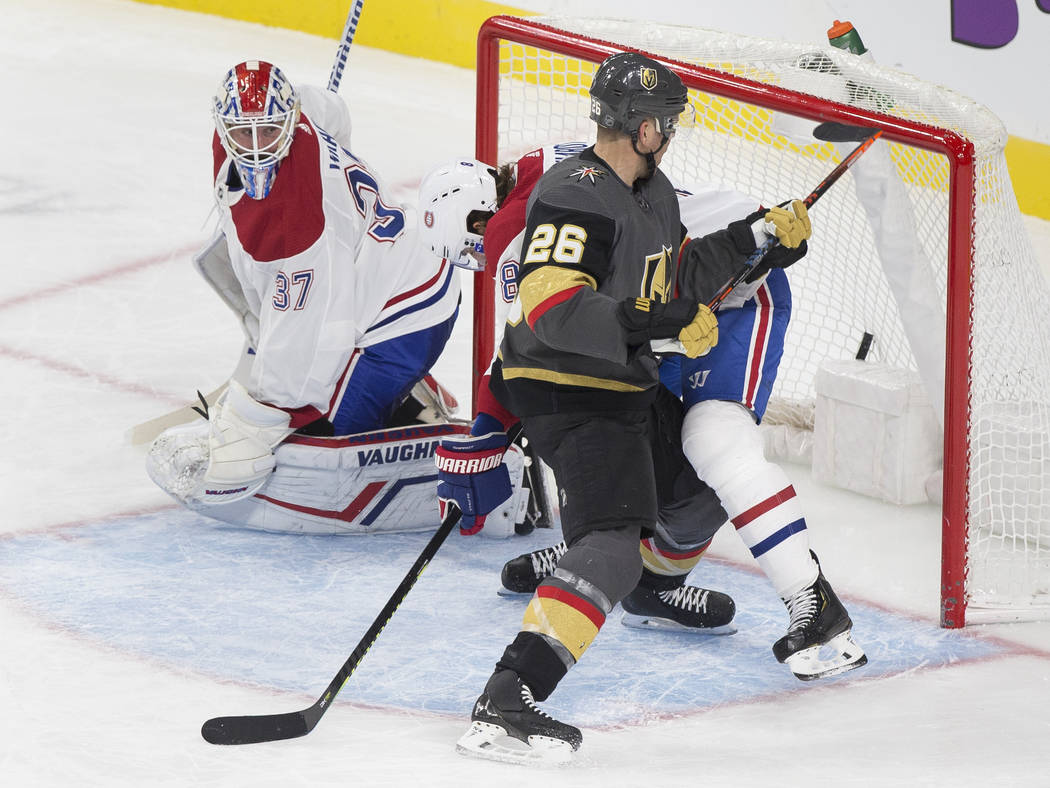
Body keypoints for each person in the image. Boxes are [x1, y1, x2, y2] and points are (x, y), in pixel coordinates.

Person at [443, 51, 812, 764]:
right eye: (666, 123)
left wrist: (754, 242)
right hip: (565, 391)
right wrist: (656, 323)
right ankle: (508, 699)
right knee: (612, 539)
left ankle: (642, 588)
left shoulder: (653, 192)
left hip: (622, 387)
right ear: (643, 127)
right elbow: (552, 308)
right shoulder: (575, 192)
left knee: (700, 487)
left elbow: (677, 274)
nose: (671, 134)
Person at [144, 60, 467, 531]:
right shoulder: (297, 115)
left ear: (291, 120)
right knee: (312, 381)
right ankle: (406, 392)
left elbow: (314, 334)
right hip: (372, 275)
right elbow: (330, 108)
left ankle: (409, 400)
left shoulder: (300, 225)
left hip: (407, 307)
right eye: (243, 133)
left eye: (269, 131)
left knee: (328, 433)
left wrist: (259, 420)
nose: (255, 148)